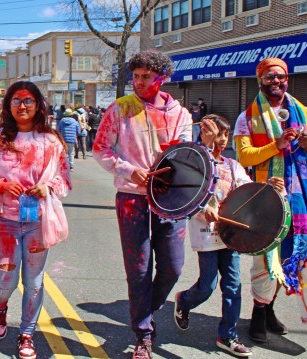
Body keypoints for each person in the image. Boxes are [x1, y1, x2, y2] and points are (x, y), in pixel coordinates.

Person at [92, 50, 218, 359]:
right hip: (131, 198)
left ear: (161, 78)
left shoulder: (181, 115)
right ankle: (144, 335)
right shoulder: (120, 109)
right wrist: (128, 169)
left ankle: (146, 309)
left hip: (169, 198)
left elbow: (187, 156)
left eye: (145, 76)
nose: (138, 82)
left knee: (173, 267)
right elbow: (100, 149)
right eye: (135, 76)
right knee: (138, 270)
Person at [233, 57, 307, 343]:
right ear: (260, 80)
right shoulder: (248, 117)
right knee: (264, 258)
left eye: (281, 77)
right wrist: (276, 145)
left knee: (288, 256)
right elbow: (244, 156)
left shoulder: (303, 112)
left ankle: (268, 310)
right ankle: (258, 314)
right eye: (270, 77)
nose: (276, 82)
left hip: (301, 198)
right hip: (265, 197)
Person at [0, 81, 71, 359]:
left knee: (34, 282)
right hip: (6, 221)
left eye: (29, 100)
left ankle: (27, 333)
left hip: (39, 221)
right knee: (5, 279)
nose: (23, 105)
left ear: (38, 105)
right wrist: (0, 184)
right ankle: (0, 308)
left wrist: (48, 187)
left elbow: (64, 178)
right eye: (17, 100)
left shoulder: (51, 141)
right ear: (8, 105)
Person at [174, 114, 284, 357]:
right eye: (216, 134)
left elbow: (247, 193)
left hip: (231, 235)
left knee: (233, 285)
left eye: (225, 135)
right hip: (206, 234)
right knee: (208, 284)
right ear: (202, 133)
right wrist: (204, 208)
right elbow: (186, 194)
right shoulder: (194, 162)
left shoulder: (233, 166)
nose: (222, 140)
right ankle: (184, 300)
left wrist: (268, 187)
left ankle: (228, 336)